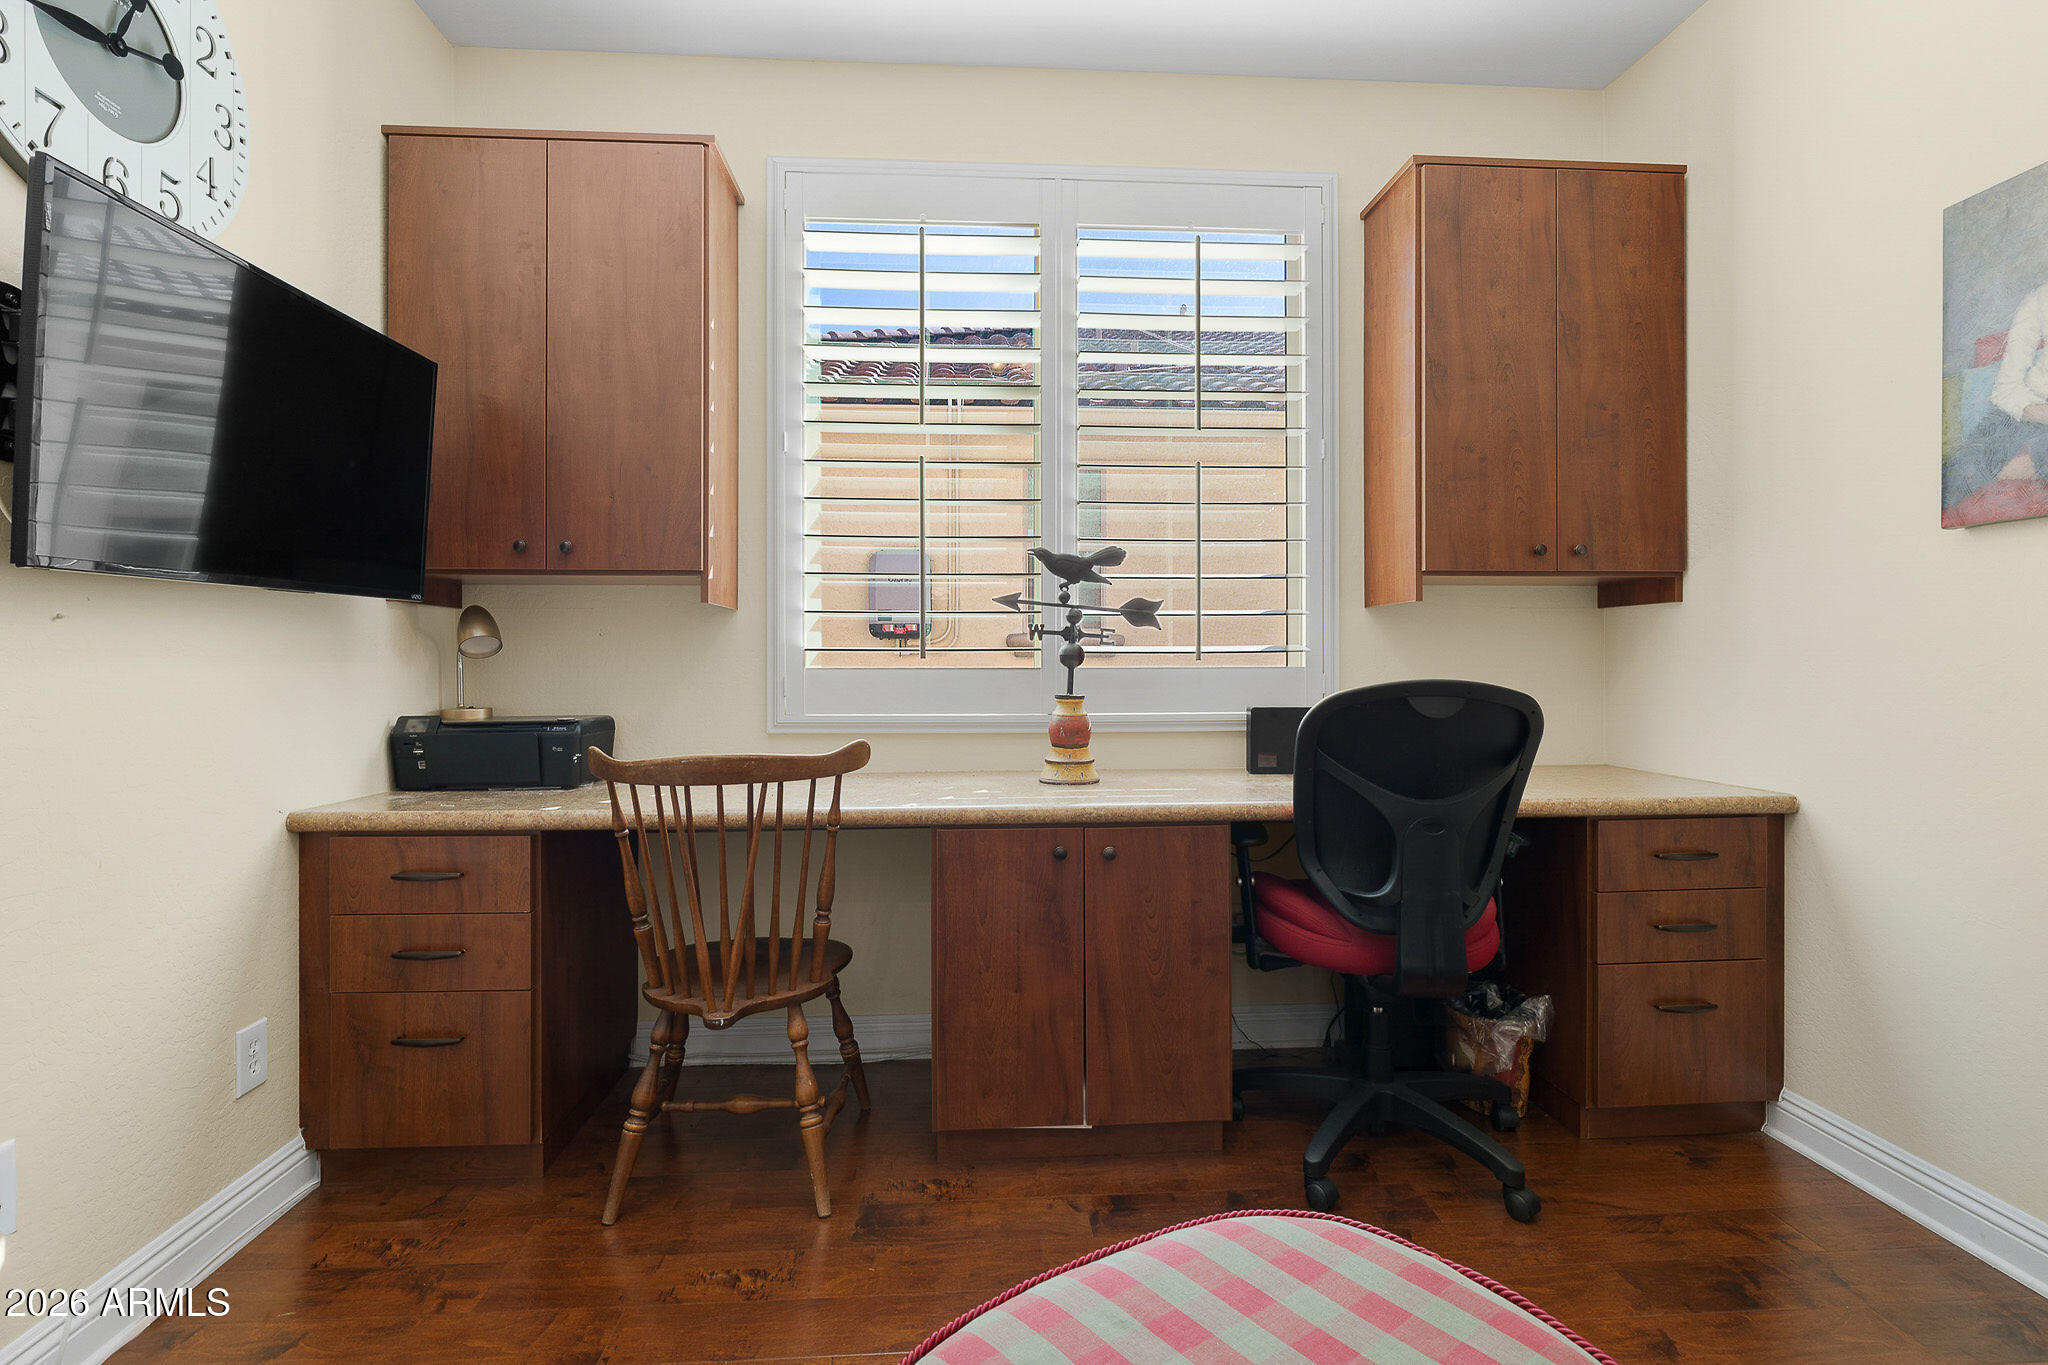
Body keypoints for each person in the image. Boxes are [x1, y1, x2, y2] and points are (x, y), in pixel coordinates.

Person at [1946, 283, 2048, 508]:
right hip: (2029, 405)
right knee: (1960, 474)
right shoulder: (2039, 299)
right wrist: (2038, 412)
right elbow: (2006, 387)